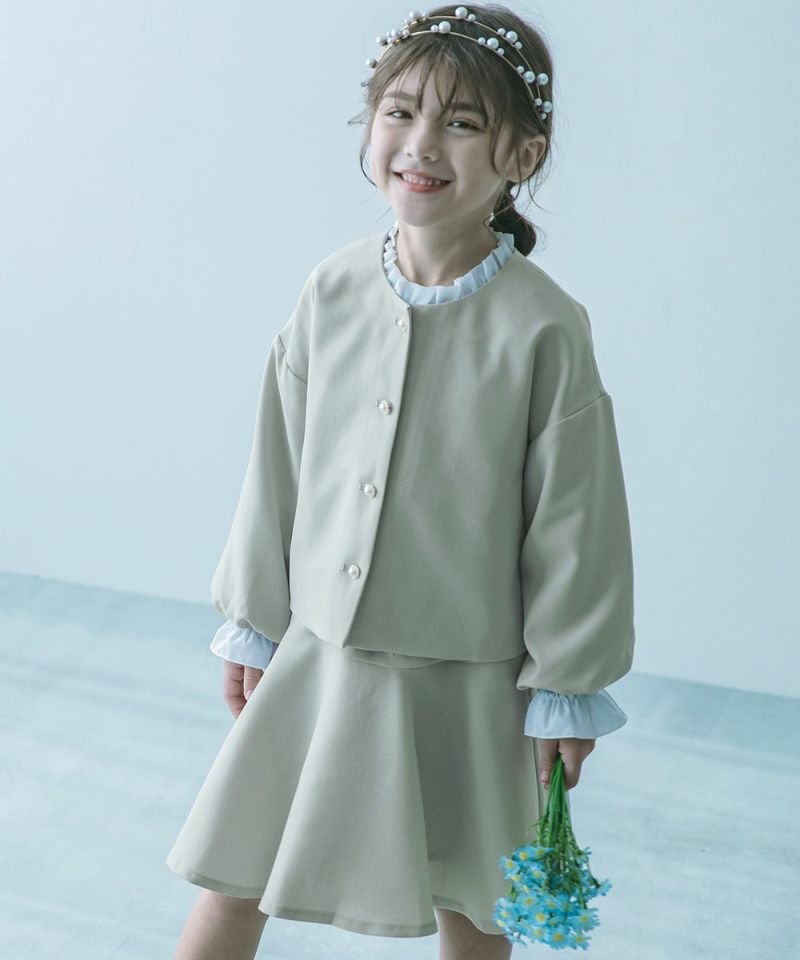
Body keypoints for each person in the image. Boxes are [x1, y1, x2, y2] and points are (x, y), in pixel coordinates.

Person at [165, 4, 636, 959]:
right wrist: (255, 618)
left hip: (471, 682)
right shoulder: (331, 289)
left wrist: (565, 684)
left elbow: (576, 523)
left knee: (475, 907)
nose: (421, 144)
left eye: (461, 122)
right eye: (400, 111)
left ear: (523, 155)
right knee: (233, 878)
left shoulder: (546, 328)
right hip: (320, 657)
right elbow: (278, 463)